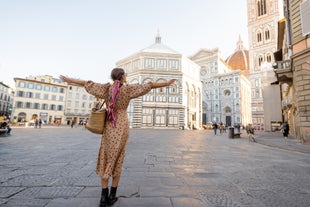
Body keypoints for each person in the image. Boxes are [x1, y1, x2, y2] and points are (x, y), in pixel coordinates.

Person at [60, 68, 176, 207]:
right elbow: (149, 85)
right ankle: (112, 195)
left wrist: (69, 80)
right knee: (118, 158)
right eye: (125, 74)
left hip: (110, 124)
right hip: (122, 124)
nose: (126, 76)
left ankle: (103, 197)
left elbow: (86, 83)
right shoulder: (128, 90)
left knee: (106, 155)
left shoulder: (106, 89)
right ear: (122, 77)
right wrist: (166, 83)